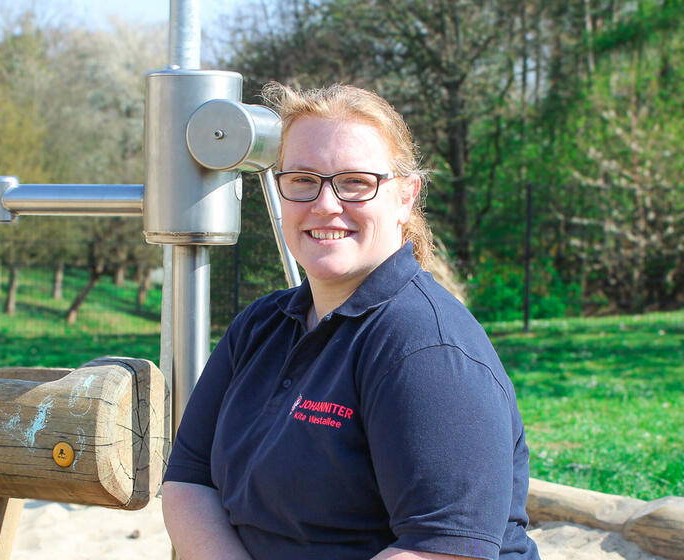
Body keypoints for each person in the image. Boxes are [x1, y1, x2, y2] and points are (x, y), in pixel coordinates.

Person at [162, 83, 539, 560]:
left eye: (355, 182)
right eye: (302, 179)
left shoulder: (426, 348)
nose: (325, 204)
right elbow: (187, 480)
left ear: (406, 197)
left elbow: (442, 551)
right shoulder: (261, 326)